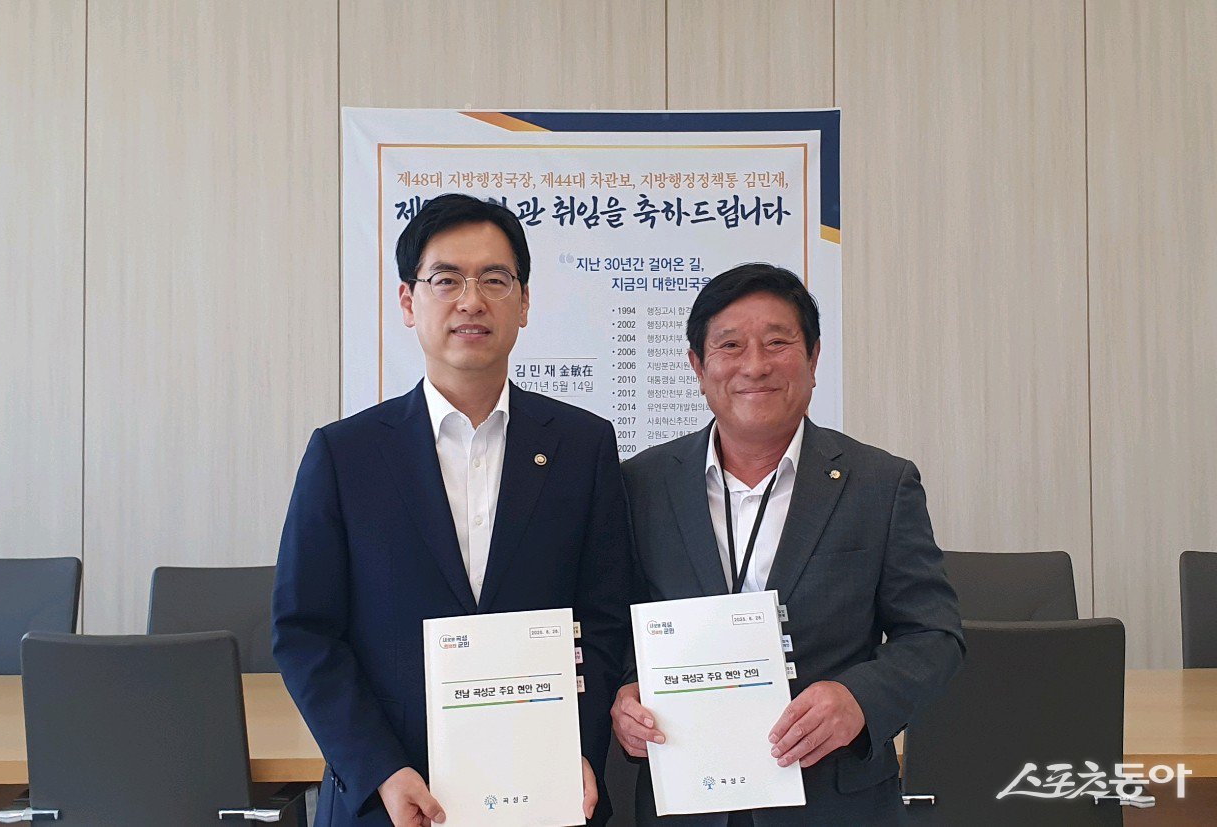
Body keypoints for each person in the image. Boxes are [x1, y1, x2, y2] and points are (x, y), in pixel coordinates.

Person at [274, 193, 633, 827]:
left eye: (495, 280)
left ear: (524, 303)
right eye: (446, 280)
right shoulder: (345, 454)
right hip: (393, 799)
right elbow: (305, 633)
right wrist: (380, 770)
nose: (471, 301)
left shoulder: (583, 446)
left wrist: (575, 749)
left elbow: (603, 622)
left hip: (546, 792)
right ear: (408, 301)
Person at [612, 263, 963, 825]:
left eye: (777, 343)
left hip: (834, 802)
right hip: (687, 799)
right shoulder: (642, 484)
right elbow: (615, 623)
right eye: (730, 345)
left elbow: (934, 635)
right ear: (698, 367)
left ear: (814, 359)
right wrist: (627, 691)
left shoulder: (879, 484)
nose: (755, 365)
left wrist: (859, 699)